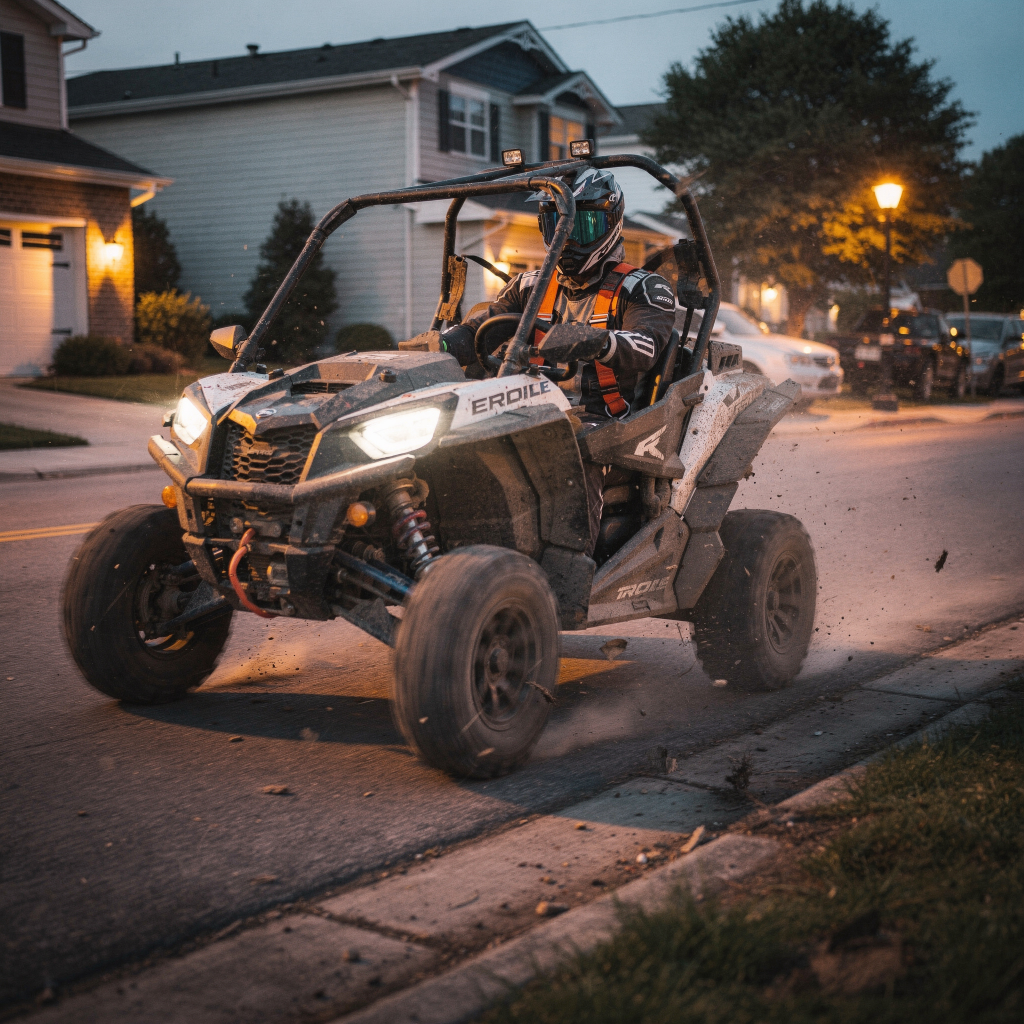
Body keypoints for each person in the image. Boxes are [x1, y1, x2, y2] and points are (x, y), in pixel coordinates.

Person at [437, 166, 677, 554]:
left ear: (610, 222)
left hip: (607, 420)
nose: (567, 237)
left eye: (582, 225)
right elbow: (481, 329)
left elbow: (646, 348)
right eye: (558, 224)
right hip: (531, 407)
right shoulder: (530, 285)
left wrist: (590, 340)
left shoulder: (643, 287)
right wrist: (442, 346)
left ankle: (569, 567)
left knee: (568, 450)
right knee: (450, 438)